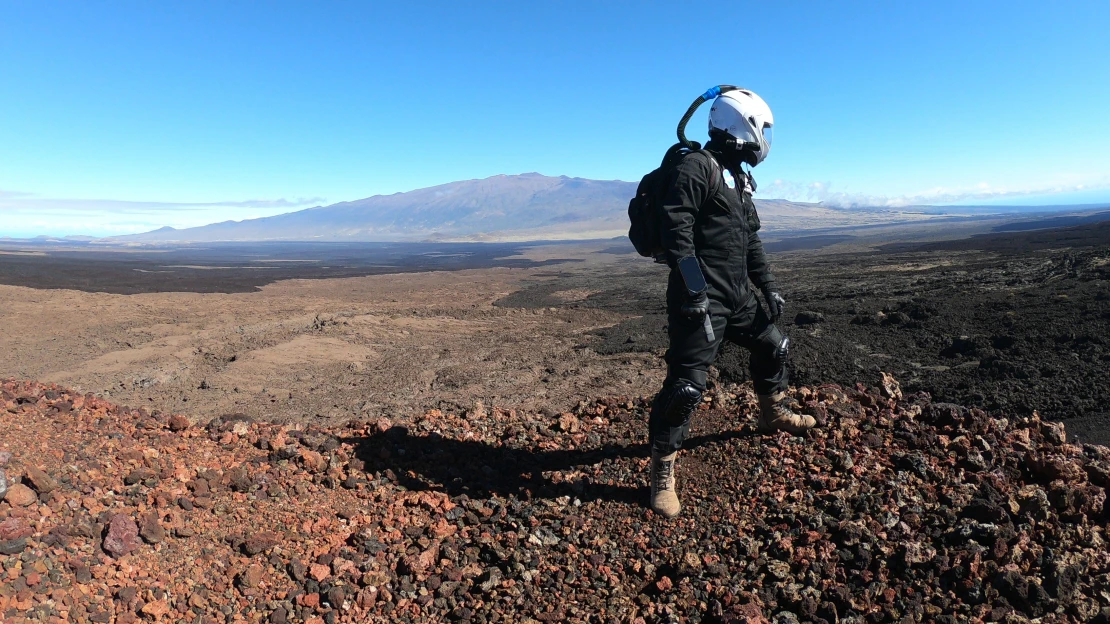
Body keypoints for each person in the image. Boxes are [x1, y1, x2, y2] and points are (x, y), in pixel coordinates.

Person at [649, 89, 817, 518]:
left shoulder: (736, 177)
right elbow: (676, 235)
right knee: (686, 387)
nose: (765, 139)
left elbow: (750, 240)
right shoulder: (696, 167)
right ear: (743, 125)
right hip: (701, 296)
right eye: (763, 129)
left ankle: (771, 414)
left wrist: (768, 286)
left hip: (738, 293)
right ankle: (662, 472)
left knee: (772, 345)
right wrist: (693, 293)